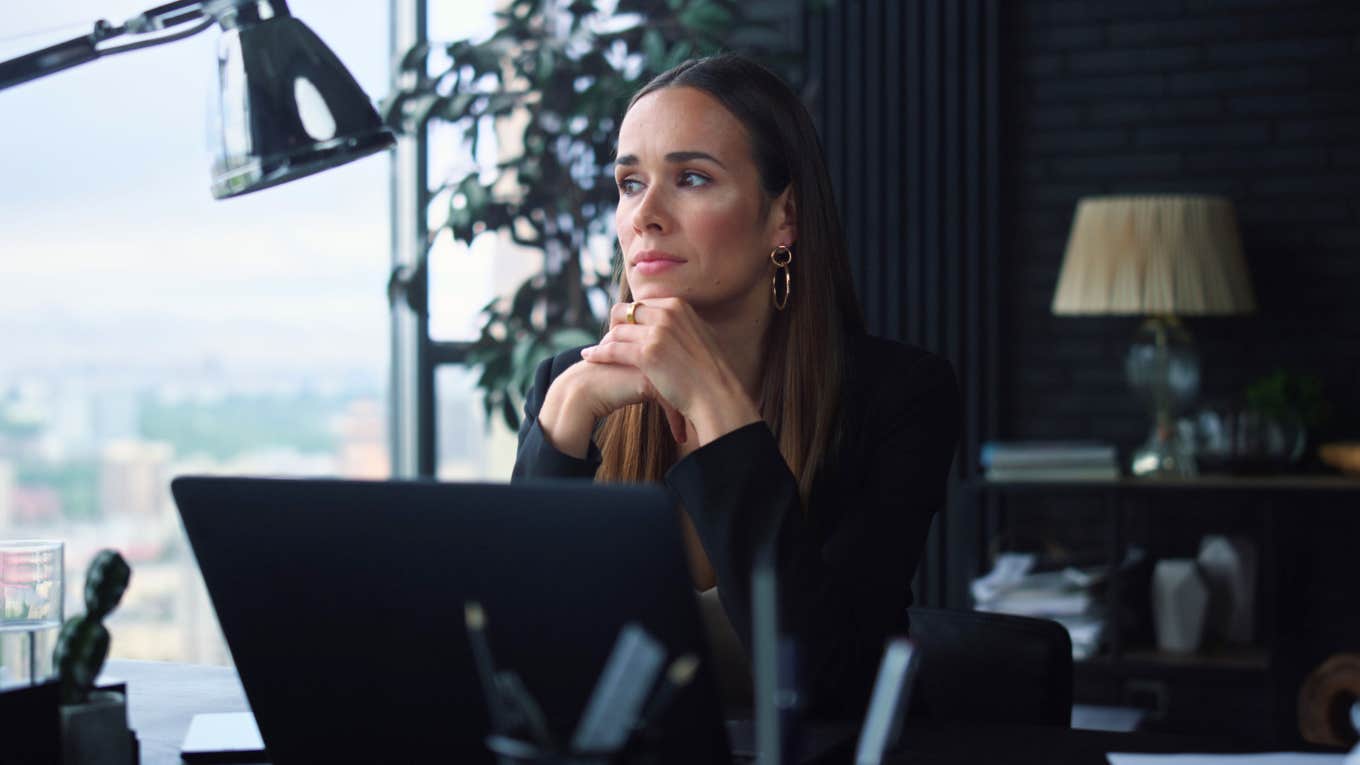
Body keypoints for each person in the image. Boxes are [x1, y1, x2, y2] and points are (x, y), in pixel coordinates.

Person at [511, 53, 960, 720]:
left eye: (690, 178)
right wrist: (566, 416)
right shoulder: (564, 384)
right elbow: (514, 665)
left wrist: (717, 409)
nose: (645, 216)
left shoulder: (900, 396)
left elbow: (824, 681)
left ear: (784, 219)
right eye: (630, 183)